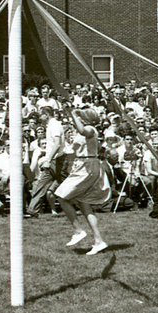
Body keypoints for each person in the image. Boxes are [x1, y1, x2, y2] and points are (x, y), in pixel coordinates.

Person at [55, 107, 111, 255]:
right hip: (83, 165)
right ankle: (99, 241)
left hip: (86, 166)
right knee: (84, 203)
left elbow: (82, 132)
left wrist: (73, 115)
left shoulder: (90, 129)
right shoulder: (85, 129)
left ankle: (78, 230)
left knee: (61, 196)